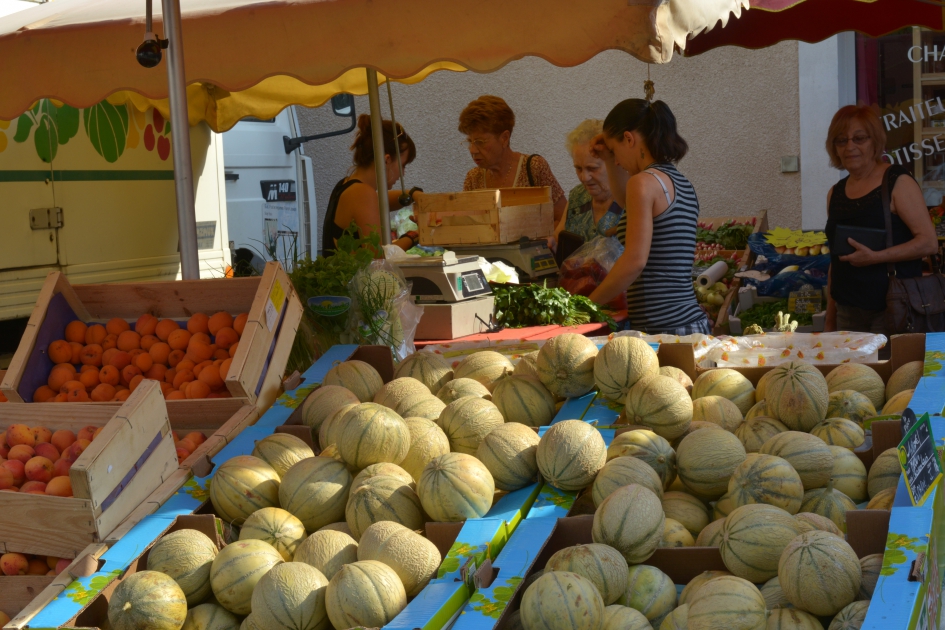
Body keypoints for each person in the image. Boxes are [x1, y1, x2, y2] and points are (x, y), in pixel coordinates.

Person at [587, 99, 710, 335]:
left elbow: (635, 261)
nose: (618, 162)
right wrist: (607, 157)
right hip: (691, 324)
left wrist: (588, 304)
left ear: (629, 139)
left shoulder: (642, 182)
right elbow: (627, 204)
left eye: (615, 152)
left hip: (666, 330)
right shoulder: (680, 183)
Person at [823, 105, 938, 333]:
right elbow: (835, 263)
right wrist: (830, 320)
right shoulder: (835, 193)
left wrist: (876, 257)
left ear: (874, 141)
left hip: (894, 309)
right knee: (851, 370)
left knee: (892, 369)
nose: (850, 147)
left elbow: (928, 242)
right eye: (841, 140)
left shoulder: (897, 182)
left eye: (859, 138)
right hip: (847, 313)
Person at [322, 115, 423, 255]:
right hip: (353, 277)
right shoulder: (362, 192)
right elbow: (378, 256)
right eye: (402, 166)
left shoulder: (348, 185)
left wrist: (413, 194)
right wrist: (415, 236)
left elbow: (381, 200)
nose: (403, 174)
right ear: (387, 160)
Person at [459, 95, 567, 223]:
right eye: (469, 141)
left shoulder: (533, 167)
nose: (472, 150)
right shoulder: (473, 179)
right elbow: (467, 226)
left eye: (480, 142)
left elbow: (563, 218)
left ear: (504, 138)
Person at [552, 119, 624, 246]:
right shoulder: (577, 196)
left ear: (614, 161)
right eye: (578, 168)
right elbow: (557, 240)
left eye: (592, 168)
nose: (584, 177)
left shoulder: (630, 199)